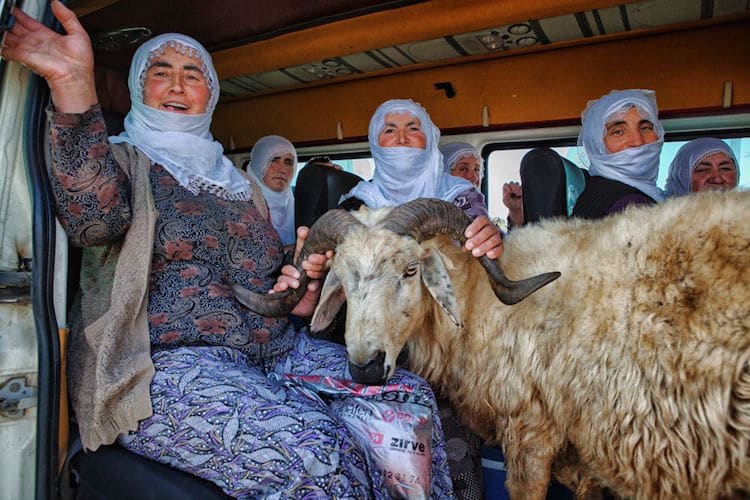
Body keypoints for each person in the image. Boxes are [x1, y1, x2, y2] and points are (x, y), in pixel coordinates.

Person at [2, 3, 453, 497]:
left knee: (410, 396)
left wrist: (293, 289)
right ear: (139, 86)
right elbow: (92, 221)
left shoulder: (239, 184)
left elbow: (265, 283)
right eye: (161, 73)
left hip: (276, 351)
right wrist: (73, 86)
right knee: (319, 455)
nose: (177, 85)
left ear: (209, 94)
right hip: (165, 365)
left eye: (192, 75)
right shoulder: (119, 158)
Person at [341, 98, 503, 259]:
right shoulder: (358, 200)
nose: (402, 139)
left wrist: (489, 238)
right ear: (375, 143)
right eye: (389, 131)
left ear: (429, 138)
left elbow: (480, 244)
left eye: (413, 129)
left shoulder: (461, 193)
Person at [572, 89, 665, 219]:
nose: (637, 142)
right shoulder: (630, 206)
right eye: (618, 132)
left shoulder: (597, 190)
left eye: (645, 128)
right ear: (597, 144)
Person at [246, 135, 297, 245]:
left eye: (288, 162)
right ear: (258, 164)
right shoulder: (242, 202)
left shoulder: (300, 202)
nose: (282, 169)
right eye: (274, 160)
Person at [664, 137, 739, 196]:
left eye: (725, 169)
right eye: (703, 170)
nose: (717, 179)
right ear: (681, 178)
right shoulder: (660, 212)